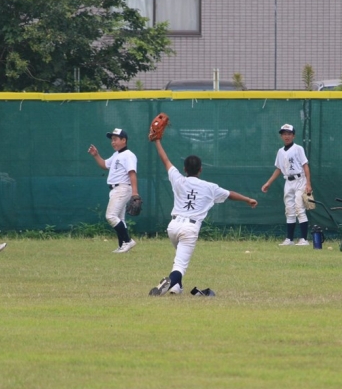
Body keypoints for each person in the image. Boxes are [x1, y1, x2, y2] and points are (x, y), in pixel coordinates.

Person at [149, 138, 258, 296]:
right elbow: (230, 194)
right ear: (200, 169)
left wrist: (157, 141)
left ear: (184, 169)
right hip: (189, 229)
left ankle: (176, 287)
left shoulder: (178, 179)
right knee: (180, 265)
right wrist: (247, 199)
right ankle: (169, 282)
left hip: (173, 226)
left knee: (179, 259)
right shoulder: (209, 187)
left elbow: (165, 159)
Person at [87, 128, 138, 253]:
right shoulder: (117, 155)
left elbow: (132, 174)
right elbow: (105, 165)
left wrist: (135, 193)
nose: (113, 142)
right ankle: (123, 246)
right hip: (116, 189)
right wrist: (96, 155)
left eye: (115, 139)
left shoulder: (128, 155)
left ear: (124, 140)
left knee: (110, 216)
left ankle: (128, 241)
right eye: (112, 140)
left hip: (122, 188)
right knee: (120, 218)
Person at [261, 124, 312, 246]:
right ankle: (289, 239)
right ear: (281, 136)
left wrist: (308, 183)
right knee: (289, 209)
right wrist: (268, 183)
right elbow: (279, 169)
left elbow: (305, 165)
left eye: (289, 134)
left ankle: (304, 239)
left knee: (299, 208)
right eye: (284, 134)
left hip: (300, 180)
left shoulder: (298, 148)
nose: (286, 136)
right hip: (288, 181)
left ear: (293, 136)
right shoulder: (280, 152)